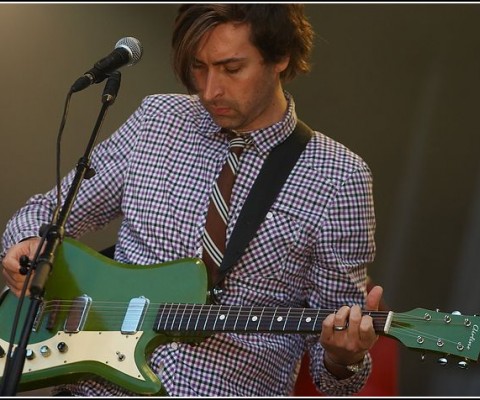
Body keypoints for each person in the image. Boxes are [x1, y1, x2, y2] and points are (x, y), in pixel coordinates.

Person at [1, 4, 383, 397]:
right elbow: (47, 212)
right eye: (199, 67)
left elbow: (333, 364)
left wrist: (344, 357)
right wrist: (26, 244)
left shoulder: (339, 178)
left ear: (281, 57)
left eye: (232, 69)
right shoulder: (159, 119)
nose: (209, 89)